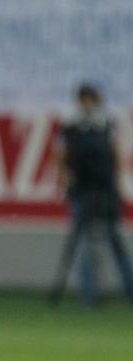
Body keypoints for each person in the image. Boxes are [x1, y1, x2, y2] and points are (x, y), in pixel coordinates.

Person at [50, 83, 133, 306]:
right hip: (81, 190)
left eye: (91, 100)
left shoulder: (106, 124)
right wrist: (65, 179)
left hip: (105, 188)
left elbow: (116, 153)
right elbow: (60, 155)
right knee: (85, 243)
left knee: (115, 239)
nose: (87, 104)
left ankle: (129, 290)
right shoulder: (70, 126)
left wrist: (117, 182)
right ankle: (89, 294)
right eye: (84, 100)